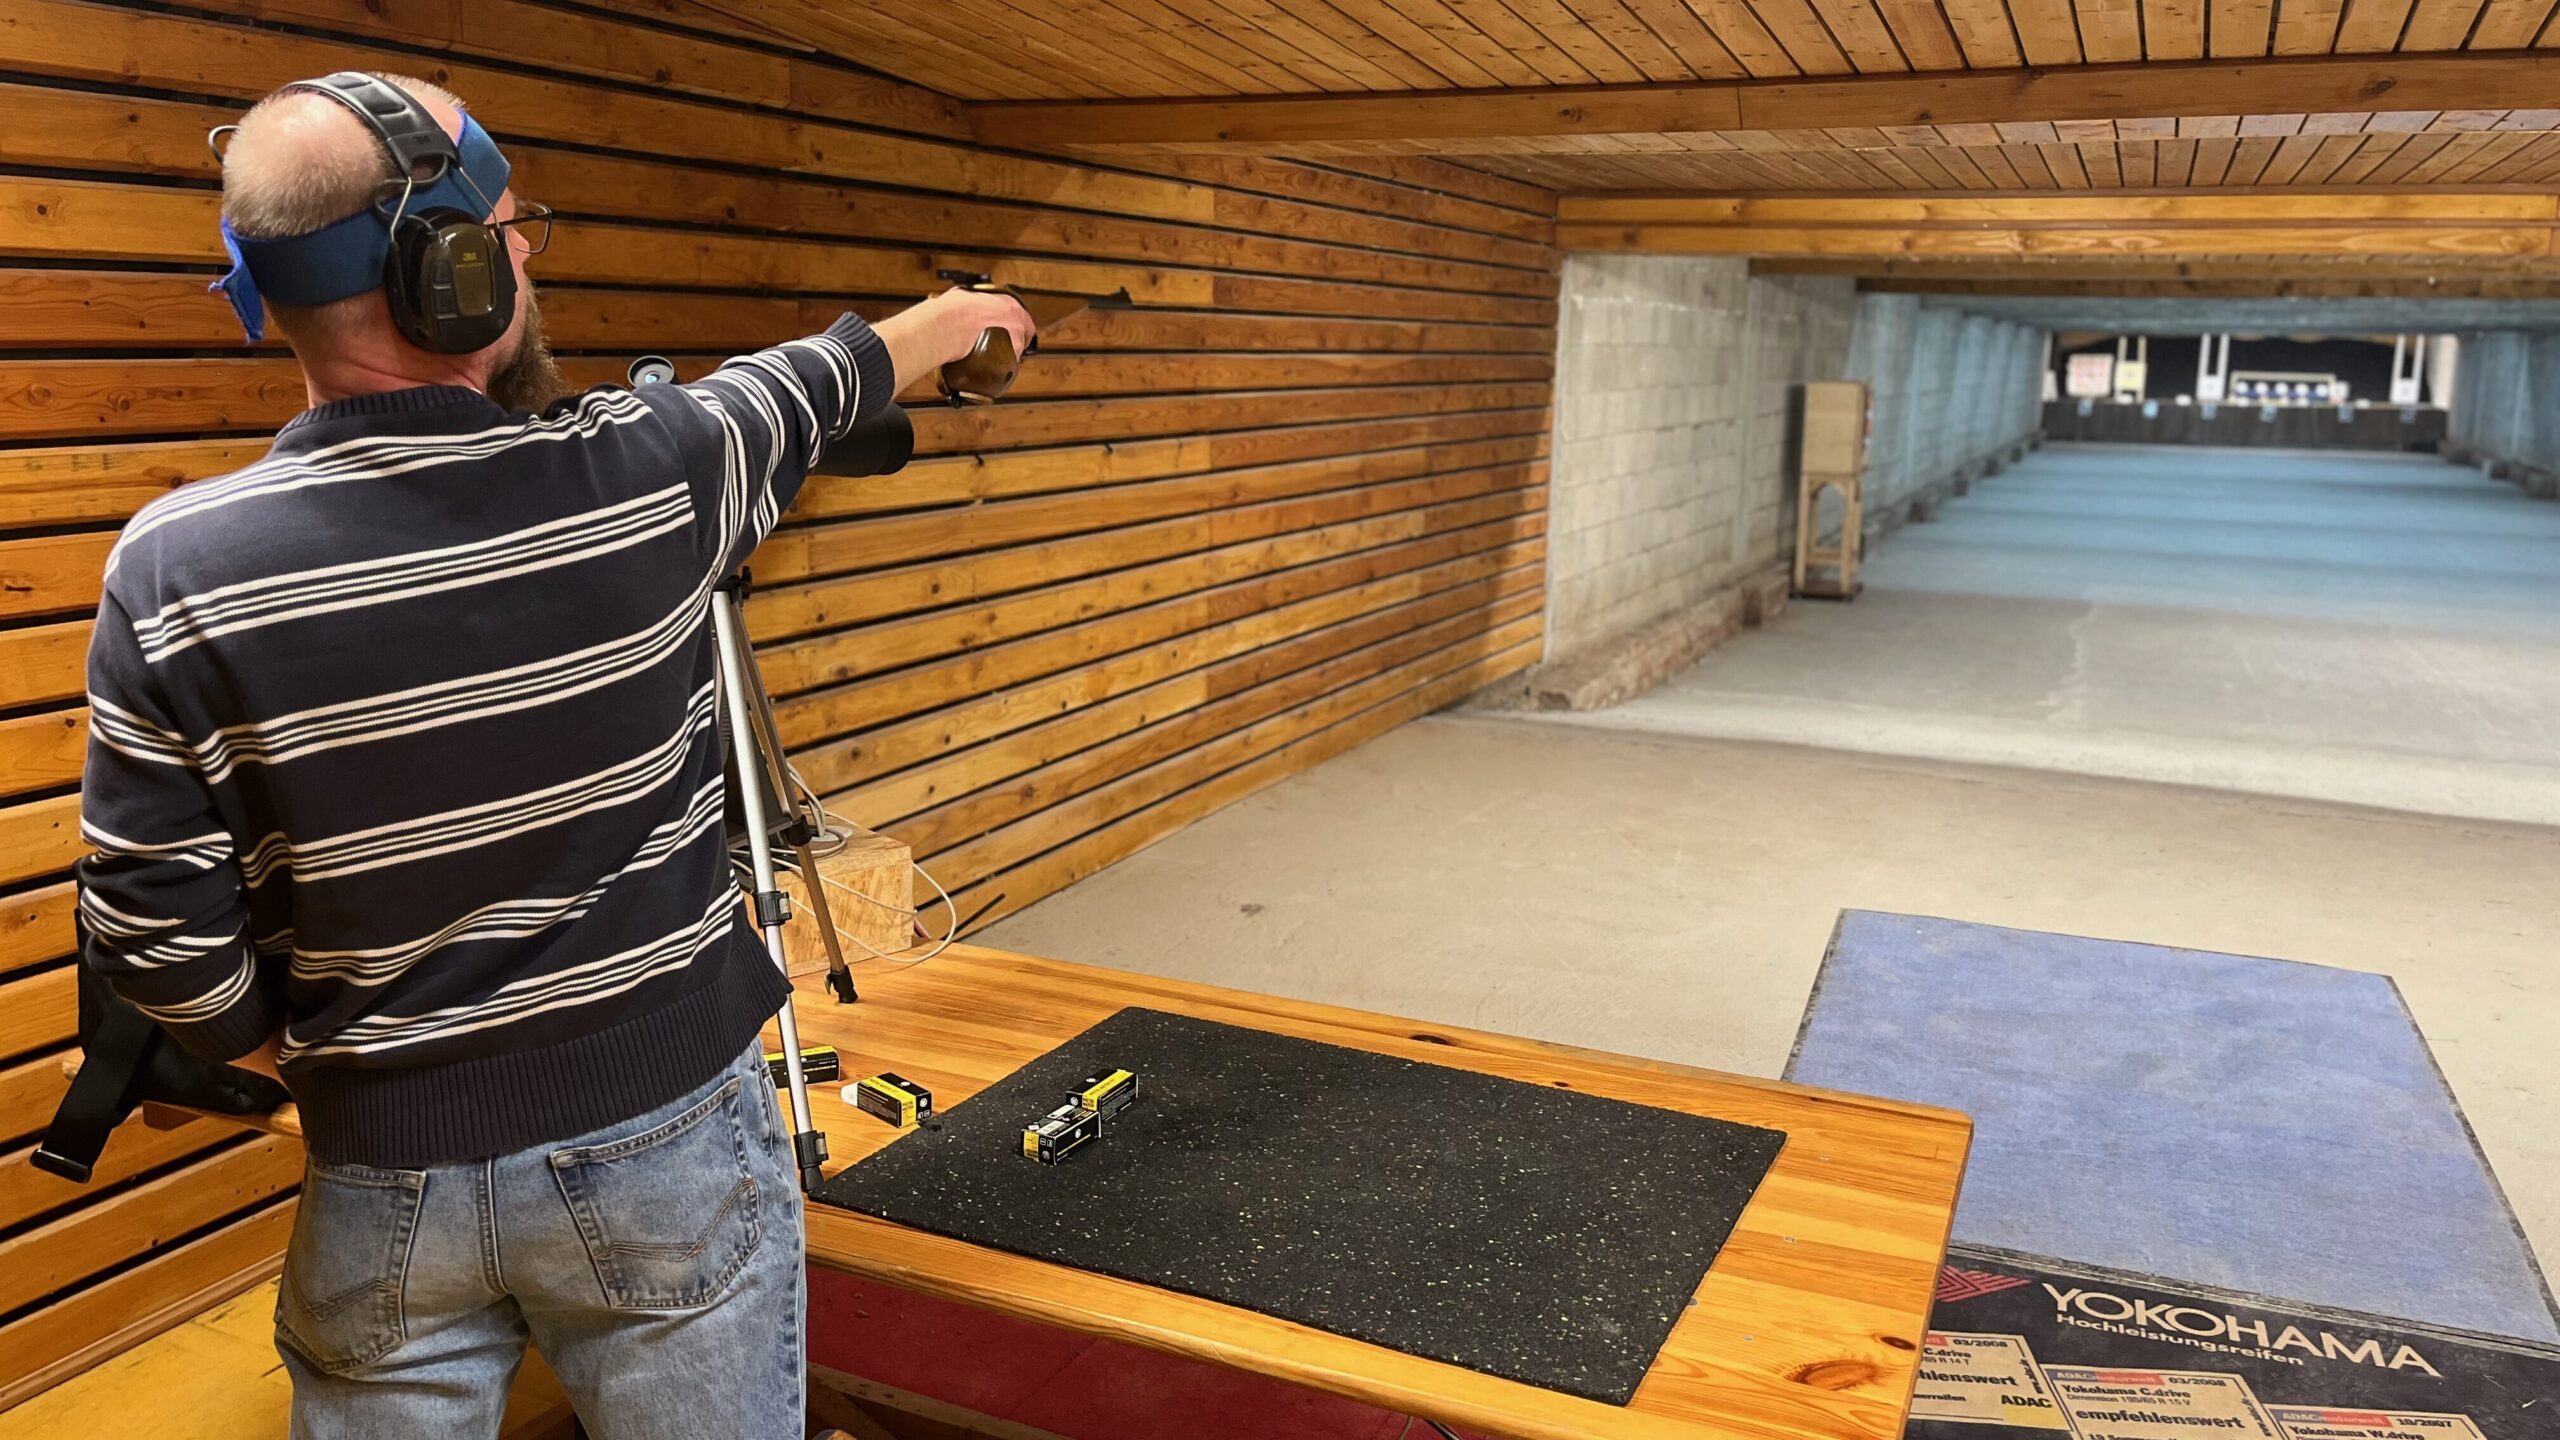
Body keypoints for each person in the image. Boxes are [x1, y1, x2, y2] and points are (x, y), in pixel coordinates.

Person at [73, 71, 1032, 1439]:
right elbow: (814, 384)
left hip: (378, 1177)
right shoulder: (650, 472)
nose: (528, 257)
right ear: (447, 273)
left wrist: (311, 1053)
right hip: (668, 1147)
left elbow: (153, 934)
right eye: (514, 230)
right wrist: (957, 321)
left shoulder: (174, 568)